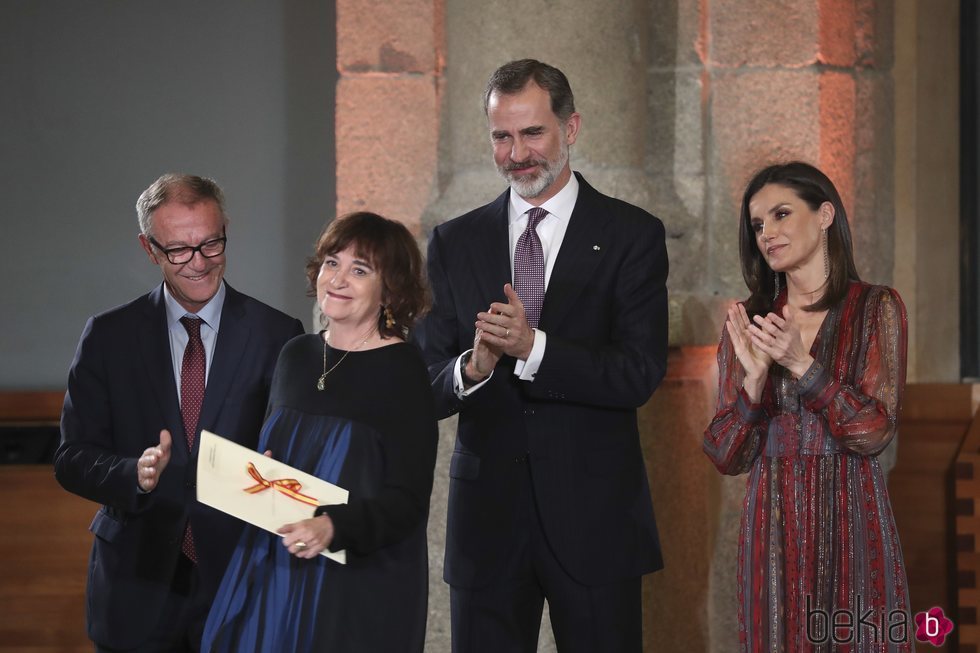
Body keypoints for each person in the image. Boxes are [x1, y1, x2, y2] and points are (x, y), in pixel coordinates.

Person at [418, 59, 668, 652]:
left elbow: (638, 373)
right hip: (487, 527)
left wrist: (534, 349)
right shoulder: (454, 242)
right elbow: (423, 385)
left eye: (533, 133)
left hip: (597, 522)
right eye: (501, 136)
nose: (516, 153)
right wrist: (472, 369)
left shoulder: (633, 234)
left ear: (571, 128)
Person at [54, 173, 305, 652]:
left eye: (211, 244)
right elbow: (71, 458)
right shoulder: (108, 336)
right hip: (136, 586)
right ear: (150, 249)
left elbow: (293, 459)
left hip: (240, 582)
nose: (198, 263)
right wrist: (136, 473)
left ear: (225, 229)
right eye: (178, 250)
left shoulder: (279, 334)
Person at [201, 212, 438, 652]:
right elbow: (275, 456)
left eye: (360, 269)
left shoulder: (403, 370)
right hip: (276, 570)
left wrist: (333, 525)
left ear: (390, 289)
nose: (338, 279)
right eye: (332, 262)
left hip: (354, 585)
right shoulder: (296, 354)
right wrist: (257, 472)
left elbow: (407, 502)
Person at [703, 161, 913, 651]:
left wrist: (803, 365)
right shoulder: (751, 322)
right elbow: (725, 454)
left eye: (780, 214)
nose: (767, 234)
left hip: (850, 513)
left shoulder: (875, 308)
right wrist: (753, 386)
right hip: (770, 524)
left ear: (824, 215)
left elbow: (874, 433)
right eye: (757, 225)